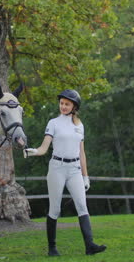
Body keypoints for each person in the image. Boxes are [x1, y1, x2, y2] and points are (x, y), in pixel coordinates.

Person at [24, 89, 107, 256]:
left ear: (74, 106)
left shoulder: (79, 126)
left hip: (75, 169)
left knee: (82, 206)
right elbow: (44, 147)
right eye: (61, 103)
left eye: (67, 104)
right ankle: (52, 249)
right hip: (57, 168)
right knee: (55, 209)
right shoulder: (53, 123)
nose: (63, 106)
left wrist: (85, 175)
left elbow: (81, 152)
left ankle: (90, 246)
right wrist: (34, 151)